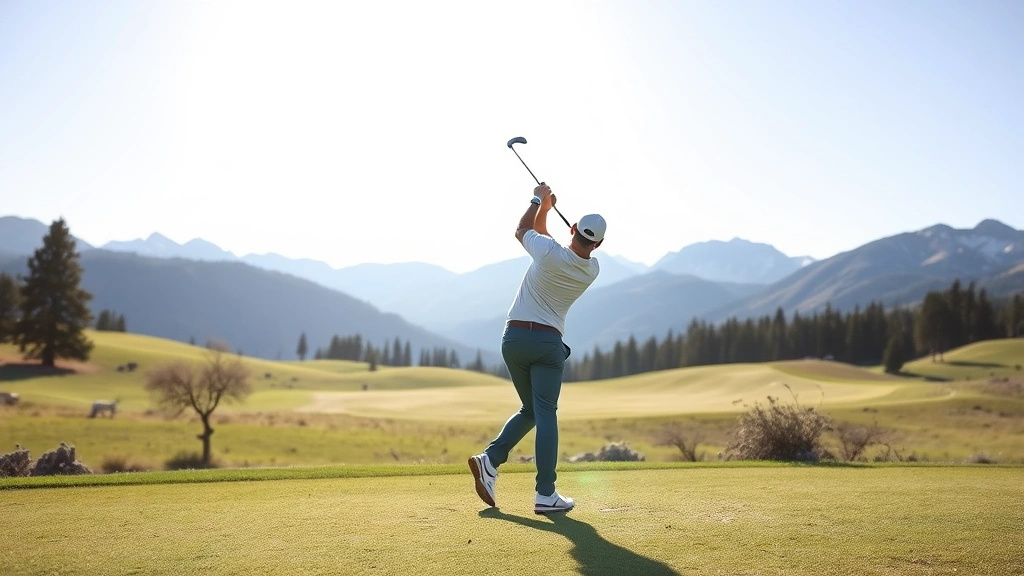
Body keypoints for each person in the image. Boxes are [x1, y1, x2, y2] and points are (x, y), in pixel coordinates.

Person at [469, 182, 606, 514]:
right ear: (598, 243)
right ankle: (546, 493)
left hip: (513, 339)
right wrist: (546, 210)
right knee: (545, 413)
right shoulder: (592, 269)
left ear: (572, 229)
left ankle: (490, 460)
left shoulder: (546, 251)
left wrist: (537, 199)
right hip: (548, 345)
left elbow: (522, 230)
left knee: (531, 410)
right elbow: (544, 237)